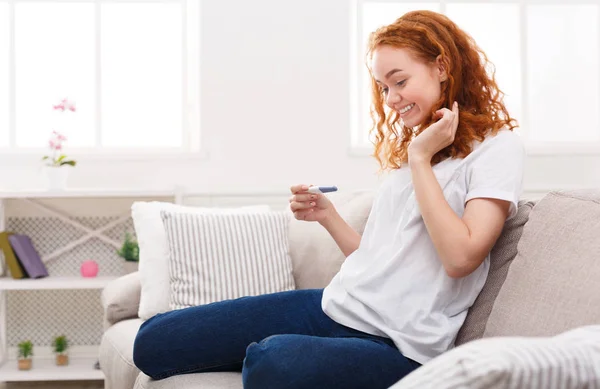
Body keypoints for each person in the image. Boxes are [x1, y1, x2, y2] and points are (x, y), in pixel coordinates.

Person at [133, 10, 525, 389]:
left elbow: (460, 259)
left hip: (397, 347)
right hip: (332, 307)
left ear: (442, 67)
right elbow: (378, 262)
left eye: (399, 81)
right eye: (384, 87)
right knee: (152, 341)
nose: (390, 99)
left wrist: (420, 159)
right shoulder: (416, 151)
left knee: (273, 362)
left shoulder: (495, 148)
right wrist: (329, 217)